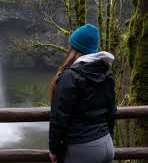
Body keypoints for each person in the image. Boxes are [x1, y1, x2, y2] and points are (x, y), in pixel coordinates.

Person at [48, 24, 117, 163]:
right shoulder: (105, 73)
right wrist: (105, 134)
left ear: (74, 49)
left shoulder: (70, 76)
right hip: (106, 144)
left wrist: (53, 149)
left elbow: (59, 117)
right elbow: (112, 112)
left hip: (82, 149)